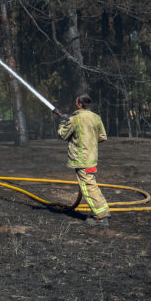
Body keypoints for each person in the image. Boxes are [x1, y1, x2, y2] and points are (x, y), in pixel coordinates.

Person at [56, 94, 110, 225]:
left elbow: (62, 135)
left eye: (76, 102)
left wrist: (63, 122)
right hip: (91, 158)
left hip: (81, 160)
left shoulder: (75, 119)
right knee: (92, 185)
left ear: (79, 104)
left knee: (87, 187)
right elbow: (102, 136)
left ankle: (101, 216)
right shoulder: (96, 117)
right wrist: (90, 141)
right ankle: (104, 211)